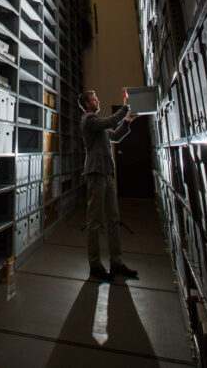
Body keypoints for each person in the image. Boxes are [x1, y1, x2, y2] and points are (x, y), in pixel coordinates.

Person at [78, 90, 139, 281]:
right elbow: (110, 122)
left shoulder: (99, 125)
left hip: (107, 173)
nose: (98, 101)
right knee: (95, 221)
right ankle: (95, 265)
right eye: (95, 99)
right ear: (88, 104)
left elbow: (115, 135)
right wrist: (125, 108)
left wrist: (127, 120)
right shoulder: (89, 120)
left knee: (113, 219)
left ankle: (116, 263)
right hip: (95, 173)